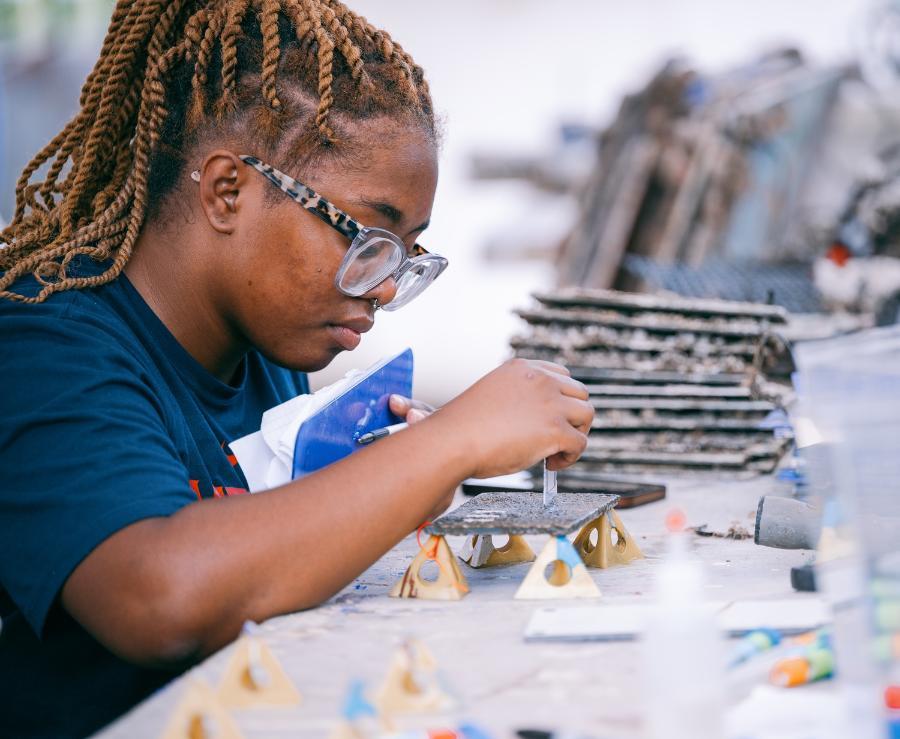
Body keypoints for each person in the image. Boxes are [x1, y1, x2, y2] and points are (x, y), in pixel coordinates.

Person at [0, 2, 594, 736]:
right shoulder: (41, 346)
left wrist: (397, 476)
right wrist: (449, 444)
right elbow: (161, 598)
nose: (383, 287)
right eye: (369, 239)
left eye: (406, 255)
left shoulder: (261, 346)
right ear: (228, 192)